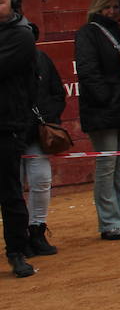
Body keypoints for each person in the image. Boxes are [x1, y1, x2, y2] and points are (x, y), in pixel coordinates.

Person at [75, 0, 120, 240]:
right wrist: (106, 97)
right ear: (98, 7)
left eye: (116, 7)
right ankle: (108, 221)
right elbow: (88, 71)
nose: (113, 11)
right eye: (108, 7)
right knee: (107, 166)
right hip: (103, 109)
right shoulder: (88, 33)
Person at [0, 0, 38, 276]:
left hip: (7, 124)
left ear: (12, 4)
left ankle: (17, 251)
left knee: (10, 192)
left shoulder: (21, 35)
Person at [21, 15, 64, 260]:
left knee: (41, 181)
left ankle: (37, 230)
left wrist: (45, 120)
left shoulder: (41, 59)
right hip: (11, 132)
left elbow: (57, 93)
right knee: (13, 188)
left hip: (37, 132)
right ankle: (18, 236)